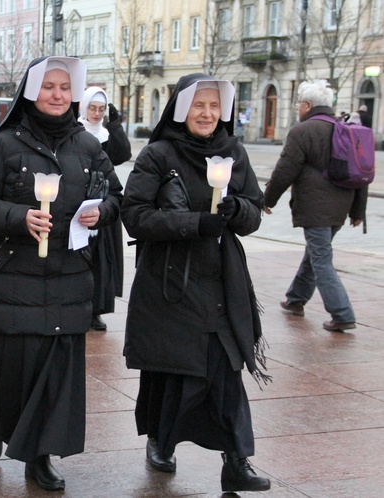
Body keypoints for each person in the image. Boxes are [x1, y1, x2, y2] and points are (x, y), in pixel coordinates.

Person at [0, 56, 122, 491]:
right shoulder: (1, 145)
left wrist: (100, 213)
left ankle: (39, 456)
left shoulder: (88, 147)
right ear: (31, 91)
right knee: (5, 366)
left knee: (55, 373)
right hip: (15, 277)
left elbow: (115, 197)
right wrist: (20, 217)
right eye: (49, 86)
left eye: (64, 88)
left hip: (69, 277)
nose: (57, 95)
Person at [121, 73, 271, 493]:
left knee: (225, 368)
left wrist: (235, 208)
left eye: (214, 106)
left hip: (222, 278)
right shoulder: (158, 155)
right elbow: (135, 215)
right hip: (171, 278)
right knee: (173, 367)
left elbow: (255, 211)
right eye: (198, 105)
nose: (207, 114)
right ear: (182, 108)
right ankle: (160, 440)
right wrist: (196, 223)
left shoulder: (233, 151)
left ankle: (236, 461)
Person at [264, 80, 367, 332]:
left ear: (308, 105)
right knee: (315, 253)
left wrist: (267, 199)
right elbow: (362, 173)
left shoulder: (302, 131)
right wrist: (357, 211)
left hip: (315, 207)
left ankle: (342, 313)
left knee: (321, 258)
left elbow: (285, 170)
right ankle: (295, 299)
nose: (298, 108)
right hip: (341, 206)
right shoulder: (346, 129)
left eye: (299, 103)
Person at [78, 86, 131, 330]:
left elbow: (122, 155)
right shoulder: (75, 131)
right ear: (84, 107)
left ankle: (96, 309)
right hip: (81, 202)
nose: (97, 114)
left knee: (102, 260)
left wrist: (116, 125)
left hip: (105, 203)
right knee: (81, 258)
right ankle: (80, 305)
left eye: (101, 109)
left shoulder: (106, 134)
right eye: (93, 108)